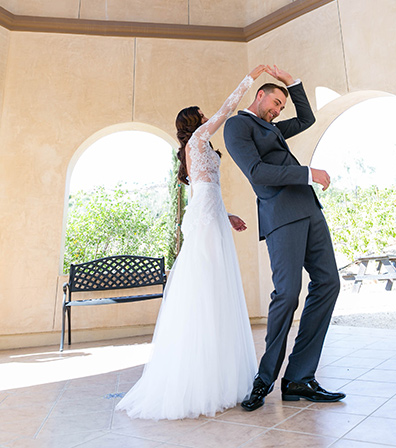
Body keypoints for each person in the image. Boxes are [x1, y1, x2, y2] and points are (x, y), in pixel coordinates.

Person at [116, 65, 267, 420]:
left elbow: (207, 190)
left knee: (216, 288)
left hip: (210, 216)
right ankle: (200, 380)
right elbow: (227, 109)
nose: (206, 117)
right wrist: (250, 78)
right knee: (206, 288)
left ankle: (219, 375)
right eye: (201, 115)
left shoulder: (196, 149)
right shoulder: (198, 140)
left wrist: (225, 216)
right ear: (194, 122)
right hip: (204, 220)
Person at [224, 65, 345, 411]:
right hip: (281, 215)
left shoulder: (272, 129)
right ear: (259, 95)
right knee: (288, 294)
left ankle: (299, 379)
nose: (278, 111)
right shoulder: (238, 126)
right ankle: (264, 380)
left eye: (281, 107)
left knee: (329, 283)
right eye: (275, 102)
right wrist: (307, 172)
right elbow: (258, 173)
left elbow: (306, 119)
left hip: (310, 210)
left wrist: (292, 83)